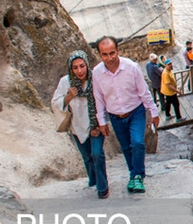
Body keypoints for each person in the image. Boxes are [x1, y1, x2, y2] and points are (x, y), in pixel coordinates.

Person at [93, 36, 160, 194]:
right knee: (125, 147)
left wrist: (154, 112)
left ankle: (138, 176)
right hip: (115, 115)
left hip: (135, 111)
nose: (109, 58)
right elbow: (99, 98)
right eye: (105, 54)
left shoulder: (131, 67)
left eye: (112, 53)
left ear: (118, 51)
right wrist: (102, 121)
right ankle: (134, 175)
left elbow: (144, 92)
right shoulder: (97, 73)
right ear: (99, 55)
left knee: (137, 143)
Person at [52, 51, 108, 199]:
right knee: (87, 157)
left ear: (87, 65)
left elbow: (105, 100)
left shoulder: (96, 78)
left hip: (95, 125)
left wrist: (97, 125)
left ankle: (102, 188)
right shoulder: (66, 82)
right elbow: (55, 102)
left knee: (97, 154)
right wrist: (69, 96)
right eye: (75, 67)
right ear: (71, 69)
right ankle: (93, 182)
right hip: (77, 126)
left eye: (82, 66)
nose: (79, 71)